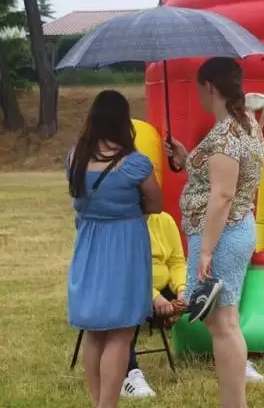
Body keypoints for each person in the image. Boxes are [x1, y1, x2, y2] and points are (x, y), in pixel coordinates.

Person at [165, 57, 264, 408]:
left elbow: (222, 195)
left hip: (222, 235)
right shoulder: (246, 123)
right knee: (227, 322)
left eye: (199, 88)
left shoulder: (224, 136)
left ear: (208, 86)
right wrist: (187, 158)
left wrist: (206, 251)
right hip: (238, 228)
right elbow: (220, 177)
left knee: (222, 326)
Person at [67, 90, 162, 408]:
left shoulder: (75, 158)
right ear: (124, 122)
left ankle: (98, 402)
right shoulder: (135, 164)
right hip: (125, 247)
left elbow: (78, 200)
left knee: (94, 332)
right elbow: (156, 203)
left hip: (89, 245)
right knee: (121, 333)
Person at [122, 212, 264, 397]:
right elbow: (125, 270)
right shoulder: (124, 225)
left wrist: (182, 291)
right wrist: (153, 296)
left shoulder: (164, 220)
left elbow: (176, 262)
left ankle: (234, 362)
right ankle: (128, 374)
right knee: (123, 306)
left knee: (211, 297)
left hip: (166, 286)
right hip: (132, 288)